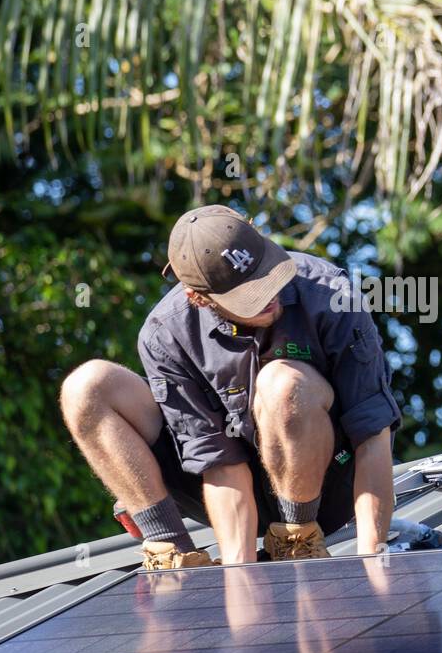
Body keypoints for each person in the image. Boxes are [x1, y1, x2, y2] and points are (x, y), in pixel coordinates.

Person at [60, 205, 401, 568]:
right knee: (87, 386)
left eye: (268, 276)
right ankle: (173, 554)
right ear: (199, 297)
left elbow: (372, 438)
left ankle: (296, 540)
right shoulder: (166, 335)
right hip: (228, 489)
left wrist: (372, 560)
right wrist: (239, 577)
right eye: (250, 297)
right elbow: (218, 461)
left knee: (282, 383)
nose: (270, 296)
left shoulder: (331, 294)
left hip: (328, 486)